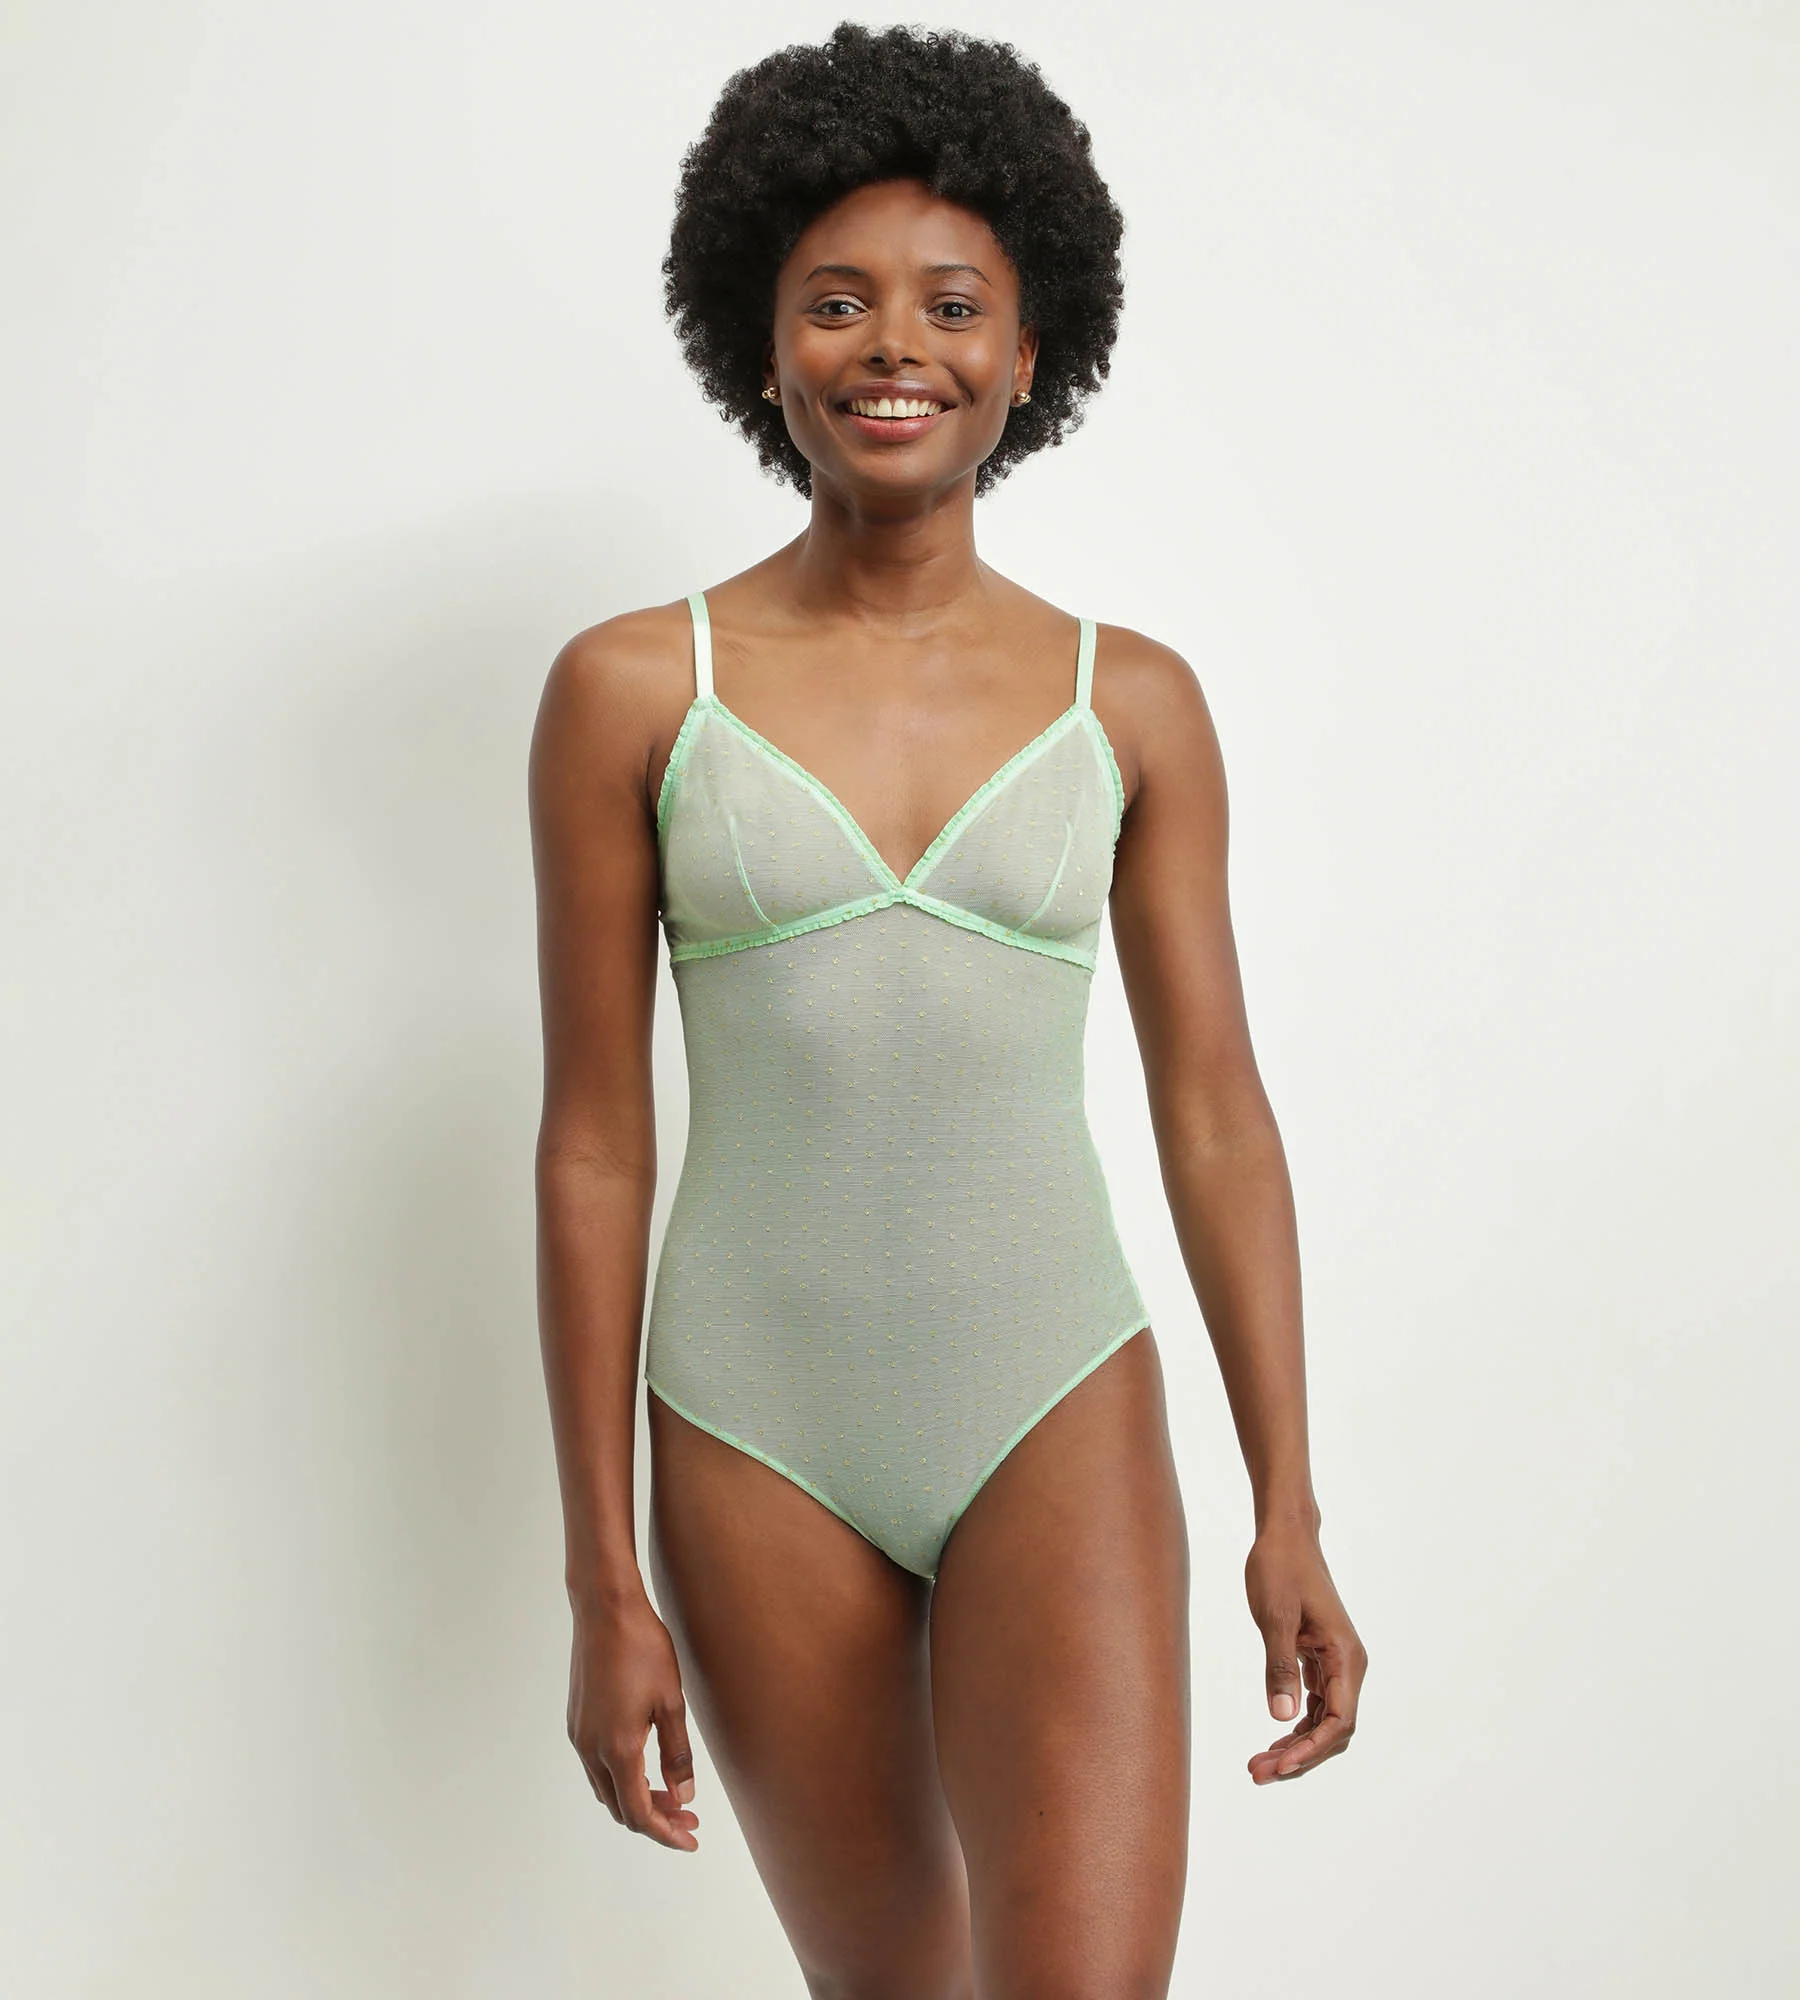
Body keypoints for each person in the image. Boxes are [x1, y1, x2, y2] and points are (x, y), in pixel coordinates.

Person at [529, 22, 1366, 1995]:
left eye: (951, 304)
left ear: (1028, 349)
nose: (893, 345)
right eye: (836, 301)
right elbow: (591, 1144)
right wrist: (600, 1576)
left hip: (1051, 1396)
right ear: (761, 348)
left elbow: (1217, 1112)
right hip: (751, 1428)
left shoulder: (1128, 701)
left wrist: (1290, 1503)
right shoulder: (634, 690)